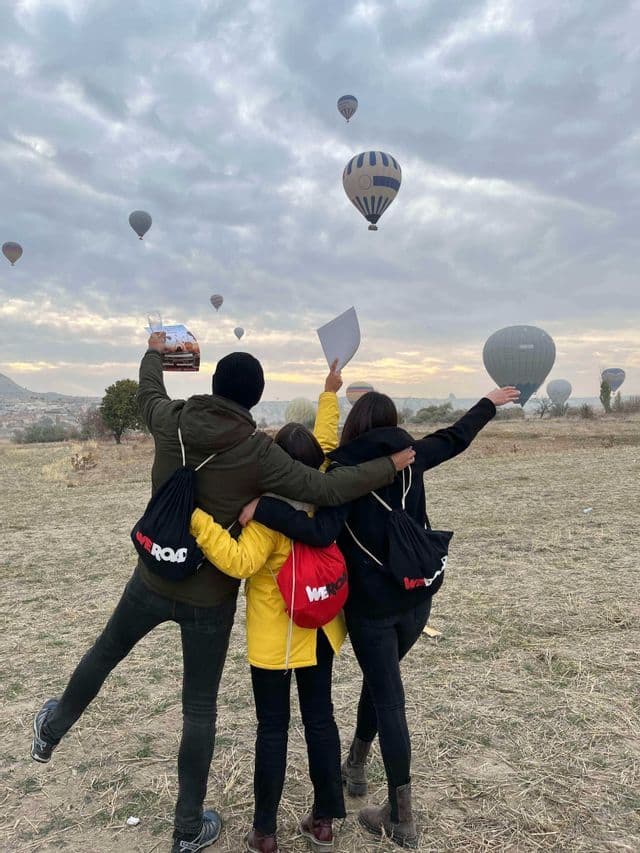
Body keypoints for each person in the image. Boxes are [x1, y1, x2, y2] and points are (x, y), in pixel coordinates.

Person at [30, 335, 415, 853]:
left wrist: (156, 352)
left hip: (151, 575)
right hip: (209, 599)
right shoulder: (258, 453)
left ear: (213, 385)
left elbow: (148, 389)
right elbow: (323, 489)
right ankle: (187, 829)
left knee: (105, 651)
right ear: (255, 400)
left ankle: (53, 727)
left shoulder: (170, 420)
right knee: (199, 710)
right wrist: (388, 467)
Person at [239, 387, 520, 849]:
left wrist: (265, 506)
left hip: (370, 609)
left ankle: (401, 815)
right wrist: (488, 402)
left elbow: (318, 526)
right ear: (392, 422)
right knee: (382, 682)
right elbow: (457, 436)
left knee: (387, 695)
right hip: (416, 597)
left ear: (355, 425)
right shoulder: (412, 455)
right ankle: (355, 762)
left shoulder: (342, 471)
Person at [189, 360, 348, 853]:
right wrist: (329, 392)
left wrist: (198, 519)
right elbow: (325, 441)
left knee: (272, 731)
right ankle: (323, 823)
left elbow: (238, 562)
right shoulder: (322, 490)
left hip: (274, 644)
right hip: (320, 629)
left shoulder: (265, 515)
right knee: (320, 722)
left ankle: (264, 831)